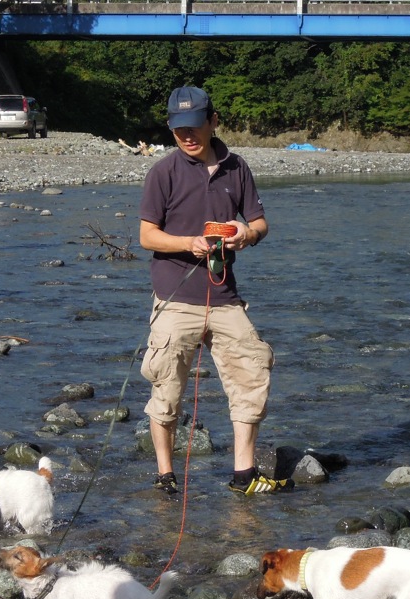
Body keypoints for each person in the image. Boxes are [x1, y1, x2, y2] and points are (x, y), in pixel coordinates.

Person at [138, 86, 291, 496]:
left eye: (194, 127)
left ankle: (243, 474)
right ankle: (165, 474)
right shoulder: (162, 173)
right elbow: (147, 236)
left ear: (213, 121)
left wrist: (247, 233)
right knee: (166, 386)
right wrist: (188, 243)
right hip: (175, 296)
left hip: (225, 298)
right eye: (177, 130)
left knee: (251, 373)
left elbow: (260, 223)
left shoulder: (236, 168)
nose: (186, 136)